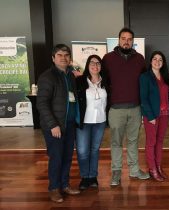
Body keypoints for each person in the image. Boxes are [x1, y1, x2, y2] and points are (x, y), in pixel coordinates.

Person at [102, 27, 149, 186]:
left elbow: (144, 82)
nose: (126, 41)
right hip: (116, 109)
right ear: (119, 40)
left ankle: (134, 170)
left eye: (129, 39)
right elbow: (102, 80)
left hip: (135, 108)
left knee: (133, 141)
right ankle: (116, 173)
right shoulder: (108, 58)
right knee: (115, 142)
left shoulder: (140, 59)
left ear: (133, 42)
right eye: (123, 38)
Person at [37, 44, 81, 203]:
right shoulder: (47, 77)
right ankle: (54, 188)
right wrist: (53, 125)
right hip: (55, 126)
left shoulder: (70, 75)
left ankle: (64, 184)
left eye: (66, 55)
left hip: (69, 124)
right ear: (53, 58)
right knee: (56, 157)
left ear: (70, 58)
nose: (63, 58)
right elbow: (41, 103)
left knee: (68, 157)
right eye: (60, 55)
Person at [76, 55, 108, 190]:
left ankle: (93, 176)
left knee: (94, 150)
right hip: (84, 121)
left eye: (98, 63)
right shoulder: (80, 81)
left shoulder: (105, 82)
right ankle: (84, 177)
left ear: (101, 66)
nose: (95, 66)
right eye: (92, 63)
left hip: (100, 121)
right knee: (83, 151)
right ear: (88, 65)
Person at [139, 51, 169, 182]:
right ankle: (152, 169)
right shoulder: (145, 77)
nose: (157, 61)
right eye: (155, 59)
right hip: (151, 115)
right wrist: (150, 116)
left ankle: (158, 166)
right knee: (151, 142)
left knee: (160, 141)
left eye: (160, 59)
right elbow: (143, 99)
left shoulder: (165, 76)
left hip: (165, 114)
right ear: (151, 61)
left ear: (163, 63)